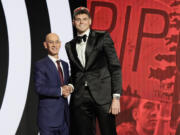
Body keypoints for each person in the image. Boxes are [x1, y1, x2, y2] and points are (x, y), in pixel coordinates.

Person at [65, 7, 122, 135]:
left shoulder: (103, 37)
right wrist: (70, 85)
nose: (81, 22)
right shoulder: (69, 45)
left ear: (90, 21)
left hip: (103, 96)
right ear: (73, 22)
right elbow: (75, 72)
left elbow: (115, 67)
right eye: (78, 20)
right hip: (80, 98)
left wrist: (116, 97)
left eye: (84, 19)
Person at [34, 33, 73, 135]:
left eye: (56, 42)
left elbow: (68, 82)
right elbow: (39, 88)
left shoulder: (64, 64)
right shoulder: (40, 64)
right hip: (48, 119)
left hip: (64, 119)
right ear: (45, 45)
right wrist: (60, 90)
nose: (54, 45)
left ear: (60, 44)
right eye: (51, 42)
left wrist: (69, 87)